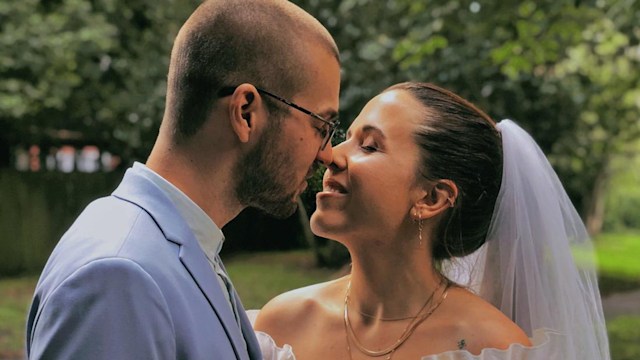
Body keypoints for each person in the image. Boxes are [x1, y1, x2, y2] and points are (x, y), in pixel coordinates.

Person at [25, 0, 340, 359]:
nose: (327, 153)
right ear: (246, 112)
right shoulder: (119, 275)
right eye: (322, 126)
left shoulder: (182, 243)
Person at [252, 82, 610, 359]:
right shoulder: (281, 324)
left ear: (431, 198)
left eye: (370, 146)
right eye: (347, 138)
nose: (330, 155)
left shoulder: (492, 348)